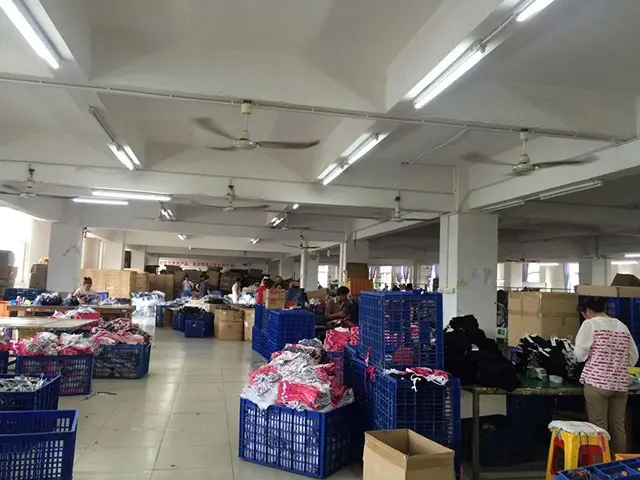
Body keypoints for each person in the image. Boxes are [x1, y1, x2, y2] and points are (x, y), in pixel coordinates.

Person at [575, 296, 639, 454]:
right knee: (618, 427)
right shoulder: (622, 326)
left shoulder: (590, 324)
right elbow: (633, 357)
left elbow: (580, 355)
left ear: (588, 311)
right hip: (620, 384)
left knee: (599, 428)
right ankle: (619, 463)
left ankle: (601, 465)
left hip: (597, 383)